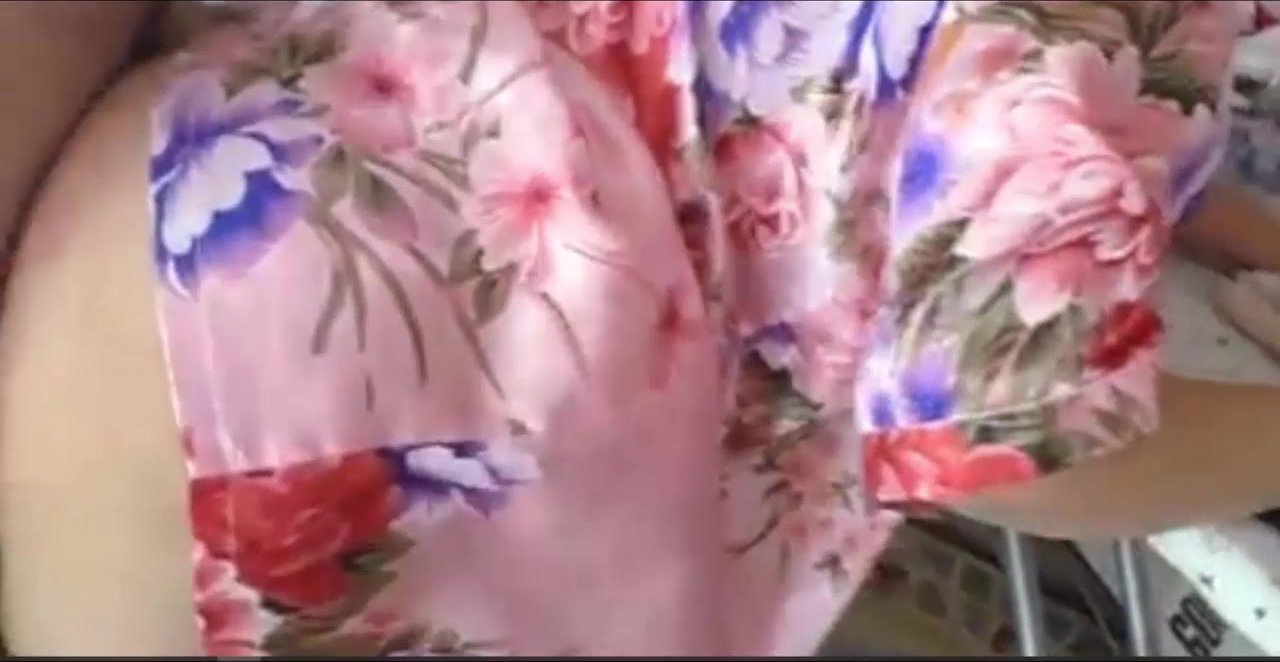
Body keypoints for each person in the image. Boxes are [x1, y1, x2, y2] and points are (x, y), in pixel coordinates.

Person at [4, 0, 1280, 655]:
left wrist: (1238, 233)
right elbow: (1015, 454)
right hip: (329, 434)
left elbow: (1029, 138)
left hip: (199, 208)